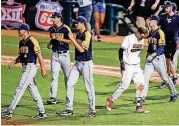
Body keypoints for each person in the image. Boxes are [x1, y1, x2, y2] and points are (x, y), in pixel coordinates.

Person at [1, 23, 47, 119]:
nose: (18, 31)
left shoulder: (32, 40)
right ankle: (42, 113)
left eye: (20, 29)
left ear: (25, 31)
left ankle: (9, 112)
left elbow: (39, 56)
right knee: (34, 90)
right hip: (25, 68)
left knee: (19, 88)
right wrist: (13, 62)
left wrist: (43, 69)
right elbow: (21, 56)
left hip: (30, 68)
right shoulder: (21, 42)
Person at [56, 16, 96, 117]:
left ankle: (92, 110)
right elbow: (73, 43)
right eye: (75, 23)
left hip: (86, 64)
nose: (75, 24)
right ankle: (69, 109)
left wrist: (72, 39)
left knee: (89, 87)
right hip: (78, 63)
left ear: (83, 23)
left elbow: (82, 50)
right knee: (69, 83)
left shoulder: (87, 34)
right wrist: (64, 39)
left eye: (77, 23)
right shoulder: (78, 34)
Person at [106, 27, 150, 113]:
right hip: (127, 65)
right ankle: (110, 100)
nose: (142, 38)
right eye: (141, 36)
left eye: (143, 37)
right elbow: (121, 50)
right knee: (124, 85)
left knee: (140, 84)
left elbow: (137, 53)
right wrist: (121, 62)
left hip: (136, 65)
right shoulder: (128, 38)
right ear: (138, 32)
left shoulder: (142, 39)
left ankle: (139, 107)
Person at [143, 15, 178, 102]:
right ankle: (141, 98)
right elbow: (150, 46)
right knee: (144, 78)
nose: (149, 21)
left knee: (165, 78)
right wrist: (148, 54)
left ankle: (174, 94)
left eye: (151, 20)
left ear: (155, 22)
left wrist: (153, 54)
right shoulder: (151, 32)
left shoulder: (160, 33)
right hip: (150, 59)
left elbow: (161, 48)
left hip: (159, 58)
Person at [46, 12, 72, 104]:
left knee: (67, 77)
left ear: (59, 18)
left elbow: (71, 41)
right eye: (52, 18)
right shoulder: (51, 29)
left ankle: (69, 96)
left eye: (53, 18)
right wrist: (50, 43)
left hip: (65, 55)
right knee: (54, 76)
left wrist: (62, 39)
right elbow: (52, 40)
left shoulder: (66, 28)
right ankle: (53, 97)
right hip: (55, 55)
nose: (52, 19)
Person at [155, 1, 179, 87]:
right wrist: (158, 10)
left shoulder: (177, 17)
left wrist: (178, 42)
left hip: (172, 41)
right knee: (167, 60)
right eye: (165, 7)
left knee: (168, 60)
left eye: (167, 7)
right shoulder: (162, 17)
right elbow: (154, 19)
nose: (165, 9)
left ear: (171, 7)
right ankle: (173, 77)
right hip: (164, 41)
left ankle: (169, 78)